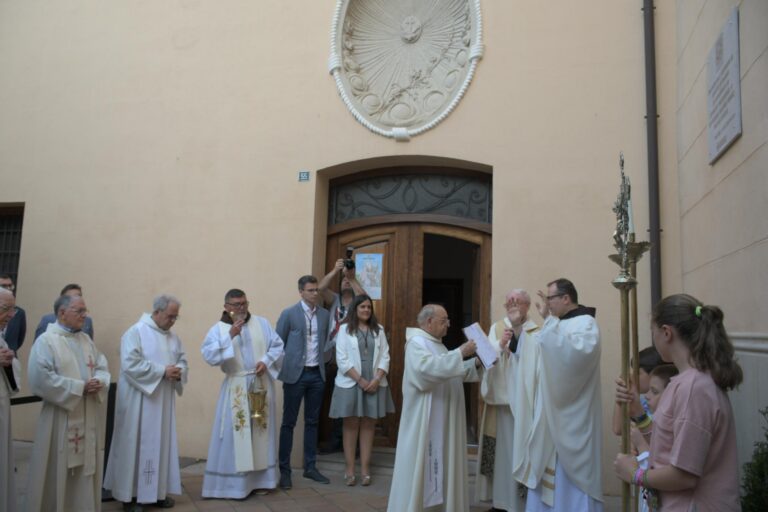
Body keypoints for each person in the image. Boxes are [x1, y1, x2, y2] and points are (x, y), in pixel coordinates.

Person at [614, 294, 743, 511]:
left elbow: (684, 475)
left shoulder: (694, 388)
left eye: (652, 331)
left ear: (666, 333)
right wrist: (638, 413)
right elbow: (673, 443)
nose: (653, 338)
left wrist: (636, 474)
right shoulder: (684, 382)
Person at [519, 278, 603, 511]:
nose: (547, 304)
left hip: (573, 416)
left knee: (570, 480)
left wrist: (548, 322)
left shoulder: (586, 324)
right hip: (550, 413)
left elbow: (576, 357)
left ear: (566, 298)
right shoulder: (557, 323)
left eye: (550, 298)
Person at [387, 304, 479, 512]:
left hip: (442, 417)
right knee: (422, 467)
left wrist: (475, 364)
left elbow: (447, 370)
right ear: (429, 322)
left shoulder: (437, 344)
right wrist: (460, 352)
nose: (448, 324)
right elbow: (426, 372)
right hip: (425, 421)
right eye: (443, 320)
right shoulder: (416, 344)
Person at [26, 293, 110, 512]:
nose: (84, 315)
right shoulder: (46, 341)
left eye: (85, 311)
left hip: (88, 413)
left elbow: (102, 366)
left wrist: (99, 381)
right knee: (58, 470)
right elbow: (39, 379)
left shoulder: (86, 340)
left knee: (85, 470)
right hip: (59, 419)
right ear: (62, 313)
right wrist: (79, 387)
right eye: (79, 311)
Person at [103, 295, 187, 511]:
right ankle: (128, 496)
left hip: (163, 403)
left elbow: (183, 360)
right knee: (133, 446)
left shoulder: (173, 338)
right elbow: (130, 364)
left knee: (161, 445)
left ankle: (157, 493)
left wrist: (179, 372)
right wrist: (162, 371)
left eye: (176, 317)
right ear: (157, 312)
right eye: (170, 316)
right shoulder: (135, 332)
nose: (173, 321)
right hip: (138, 403)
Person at [201, 289, 284, 498]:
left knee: (259, 431)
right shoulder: (219, 329)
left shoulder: (262, 323)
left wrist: (265, 362)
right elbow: (209, 355)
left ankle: (261, 481)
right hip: (236, 386)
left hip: (260, 384)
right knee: (234, 434)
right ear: (226, 307)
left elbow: (277, 346)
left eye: (244, 303)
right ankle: (233, 486)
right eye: (236, 305)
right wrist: (229, 336)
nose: (241, 308)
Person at [476, 289, 537, 512]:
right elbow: (485, 356)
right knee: (501, 458)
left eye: (518, 301)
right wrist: (500, 345)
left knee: (519, 455)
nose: (512, 305)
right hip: (500, 405)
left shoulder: (535, 330)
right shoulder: (497, 327)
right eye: (509, 301)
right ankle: (500, 502)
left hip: (523, 408)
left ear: (527, 306)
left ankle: (520, 504)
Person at [328, 294, 395, 486]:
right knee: (350, 425)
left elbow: (385, 356)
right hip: (351, 381)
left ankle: (365, 468)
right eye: (362, 307)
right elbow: (341, 359)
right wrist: (361, 381)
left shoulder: (378, 330)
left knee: (368, 425)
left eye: (368, 307)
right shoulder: (344, 330)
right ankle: (349, 469)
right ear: (355, 309)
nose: (366, 310)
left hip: (374, 382)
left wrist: (376, 379)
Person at [275, 275, 331, 489]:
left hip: (316, 374)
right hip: (294, 376)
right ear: (301, 292)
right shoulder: (289, 314)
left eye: (317, 290)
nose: (315, 293)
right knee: (288, 423)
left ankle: (310, 467)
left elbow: (325, 342)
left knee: (312, 422)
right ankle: (285, 471)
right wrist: (282, 368)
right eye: (310, 290)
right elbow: (277, 343)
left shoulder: (324, 315)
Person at [318, 258, 366, 453]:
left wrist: (351, 277)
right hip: (331, 357)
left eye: (348, 281)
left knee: (352, 401)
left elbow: (364, 297)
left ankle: (352, 444)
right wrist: (334, 271)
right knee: (334, 400)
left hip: (352, 357)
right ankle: (335, 440)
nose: (345, 282)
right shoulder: (334, 299)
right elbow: (320, 289)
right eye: (343, 280)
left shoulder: (358, 302)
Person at [0, 288, 21, 512]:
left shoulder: (2, 337)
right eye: (7, 309)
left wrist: (10, 360)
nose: (11, 315)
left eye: (13, 309)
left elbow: (13, 377)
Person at [611, 346, 663, 436]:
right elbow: (618, 429)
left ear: (655, 374)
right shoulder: (641, 399)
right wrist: (621, 397)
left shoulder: (664, 401)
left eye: (638, 373)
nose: (633, 376)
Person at [0, 274, 26, 353]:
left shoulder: (20, 313)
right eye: (4, 286)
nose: (8, 289)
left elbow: (19, 340)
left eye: (10, 286)